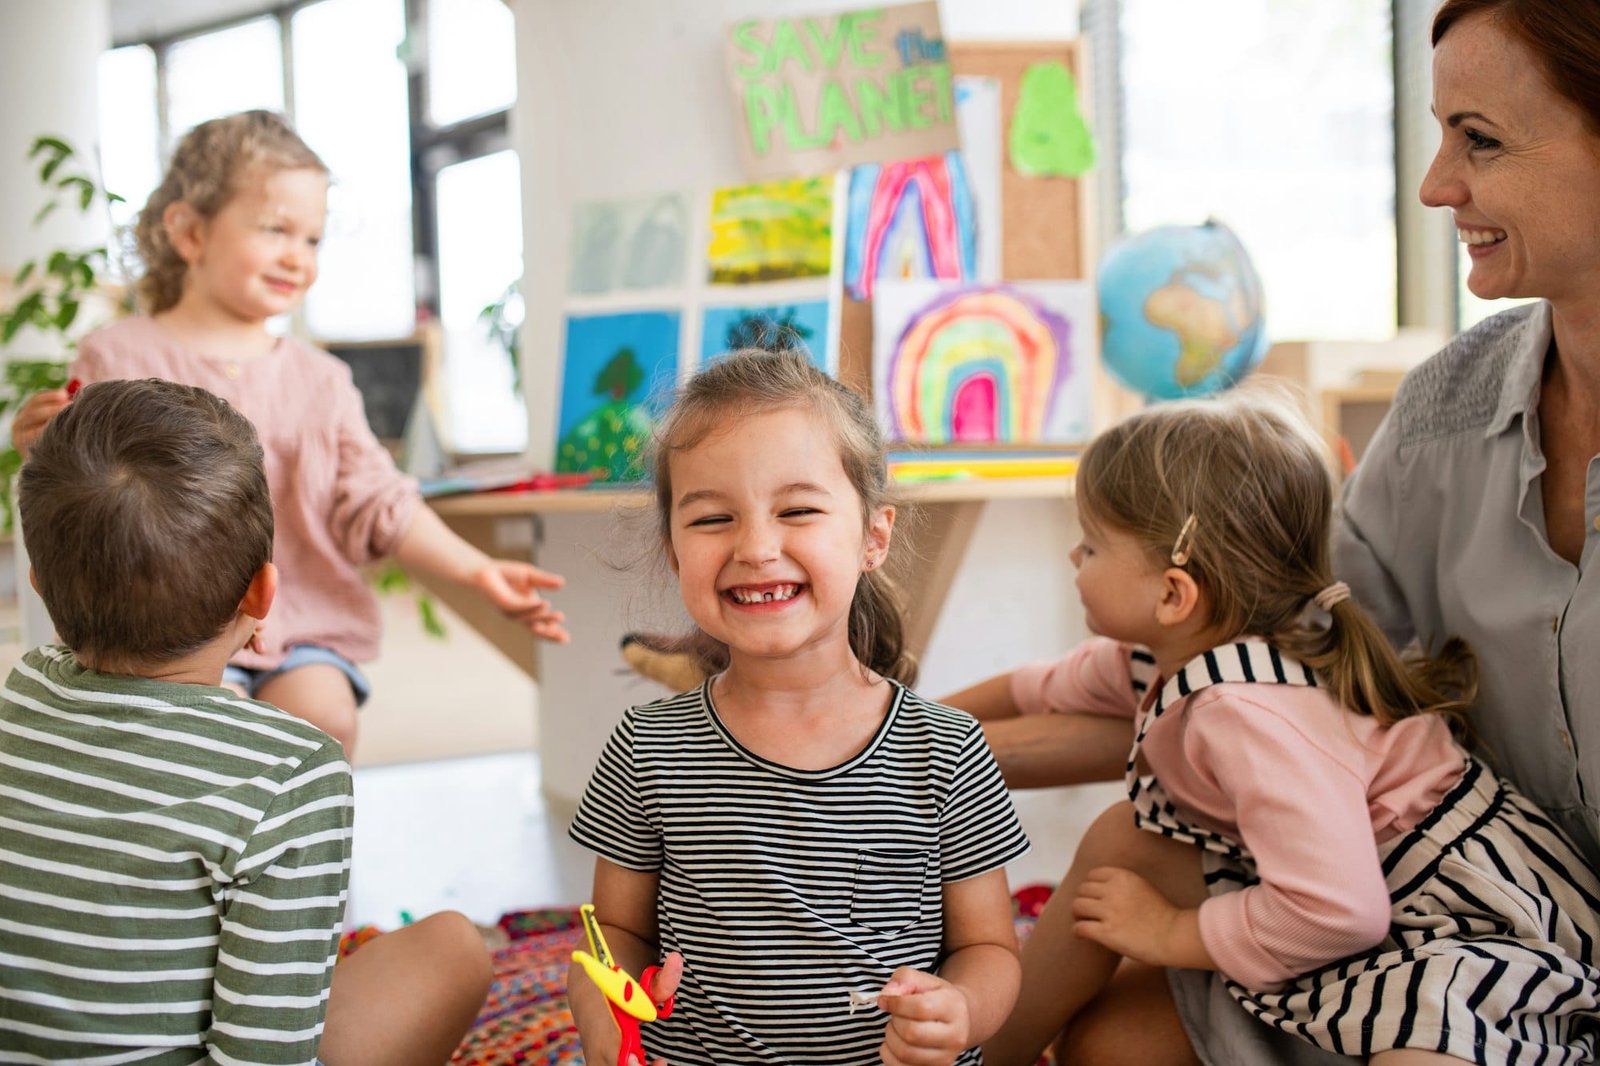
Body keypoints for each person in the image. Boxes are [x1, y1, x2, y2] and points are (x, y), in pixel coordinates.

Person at [953, 3, 1600, 1062]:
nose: (1436, 185)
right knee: (1120, 983)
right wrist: (874, 749)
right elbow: (1253, 670)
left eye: (1477, 139)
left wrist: (1175, 932)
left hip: (1495, 937)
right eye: (1436, 134)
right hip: (1422, 909)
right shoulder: (1443, 410)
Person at [974, 393, 1600, 1066]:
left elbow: (1341, 912)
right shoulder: (1178, 651)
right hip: (1354, 889)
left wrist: (1173, 930)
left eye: (1092, 544)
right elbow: (1034, 686)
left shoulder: (1246, 711)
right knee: (1118, 841)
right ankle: (981, 1052)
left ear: (1173, 594)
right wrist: (901, 708)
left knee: (1431, 1036)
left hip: (1467, 919)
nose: (1074, 556)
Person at [10, 110, 568, 756]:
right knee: (213, 735)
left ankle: (301, 856)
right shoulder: (117, 356)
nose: (296, 257)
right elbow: (84, 482)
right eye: (276, 230)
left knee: (322, 721)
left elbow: (379, 500)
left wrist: (479, 571)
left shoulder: (322, 380)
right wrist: (43, 445)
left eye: (312, 240)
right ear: (189, 233)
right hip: (162, 626)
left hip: (298, 622)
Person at [1, 378, 492, 1065]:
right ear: (263, 593)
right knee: (452, 948)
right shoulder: (293, 771)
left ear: (41, 583)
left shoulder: (22, 694)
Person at [565, 349, 1031, 1066]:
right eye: (713, 518)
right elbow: (614, 936)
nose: (756, 547)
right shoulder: (647, 745)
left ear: (873, 536)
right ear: (673, 551)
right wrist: (605, 1012)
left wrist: (960, 1009)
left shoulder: (946, 749)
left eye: (799, 510)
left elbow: (989, 948)